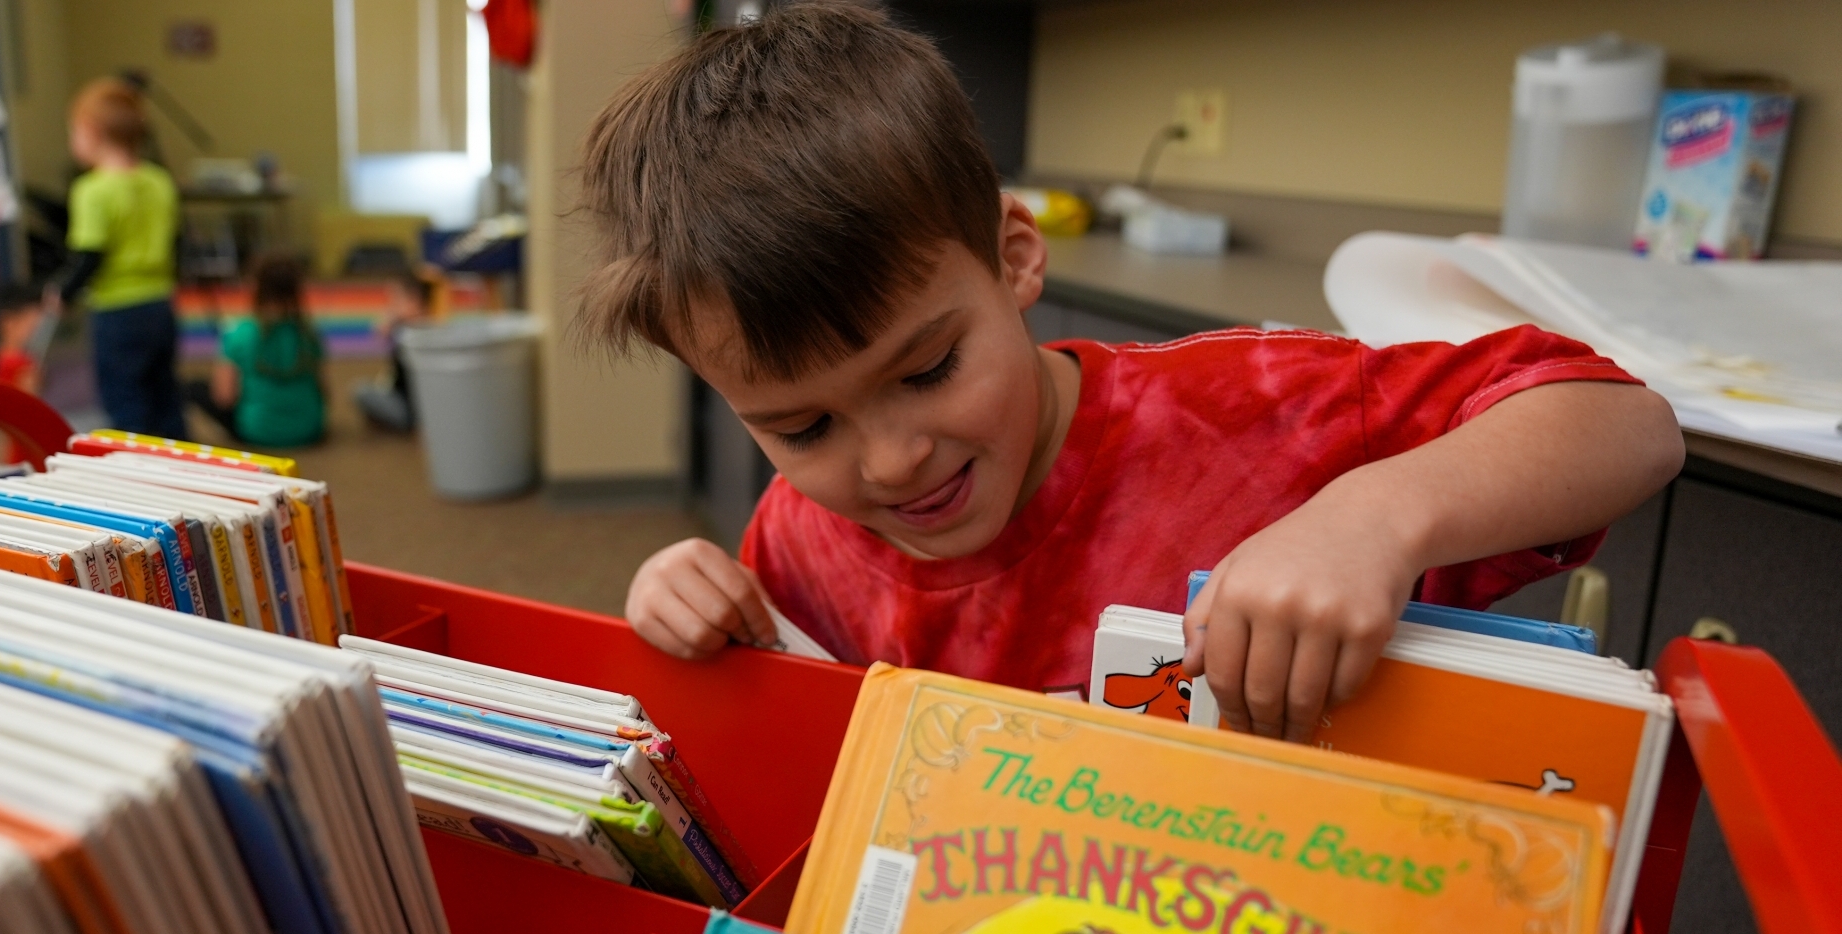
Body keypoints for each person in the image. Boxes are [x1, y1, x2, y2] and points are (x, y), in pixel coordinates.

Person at [585, 3, 1686, 743]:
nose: (889, 460)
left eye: (927, 369)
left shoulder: (1254, 415)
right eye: (801, 428)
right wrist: (705, 616)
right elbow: (809, 745)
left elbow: (1627, 424)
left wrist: (1370, 517)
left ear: (1015, 256)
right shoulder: (798, 536)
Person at [46, 77, 186, 439]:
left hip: (117, 311)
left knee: (125, 400)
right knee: (165, 395)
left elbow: (90, 255)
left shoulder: (92, 190)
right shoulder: (159, 181)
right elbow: (175, 240)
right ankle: (183, 467)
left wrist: (63, 293)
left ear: (92, 132)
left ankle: (136, 474)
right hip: (160, 304)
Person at [185, 253, 327, 447]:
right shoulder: (310, 335)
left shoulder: (240, 333)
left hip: (257, 431)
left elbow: (224, 397)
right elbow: (324, 391)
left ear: (256, 287)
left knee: (192, 387)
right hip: (309, 429)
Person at [355, 266, 437, 432]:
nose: (391, 307)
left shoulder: (408, 334)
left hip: (410, 411)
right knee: (380, 383)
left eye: (396, 301)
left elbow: (379, 331)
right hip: (428, 409)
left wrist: (390, 320)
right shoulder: (423, 328)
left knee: (360, 390)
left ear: (414, 301)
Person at [0, 281, 47, 396]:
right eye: (30, 325)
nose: (35, 332)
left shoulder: (0, 358)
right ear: (7, 322)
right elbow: (29, 402)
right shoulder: (16, 363)